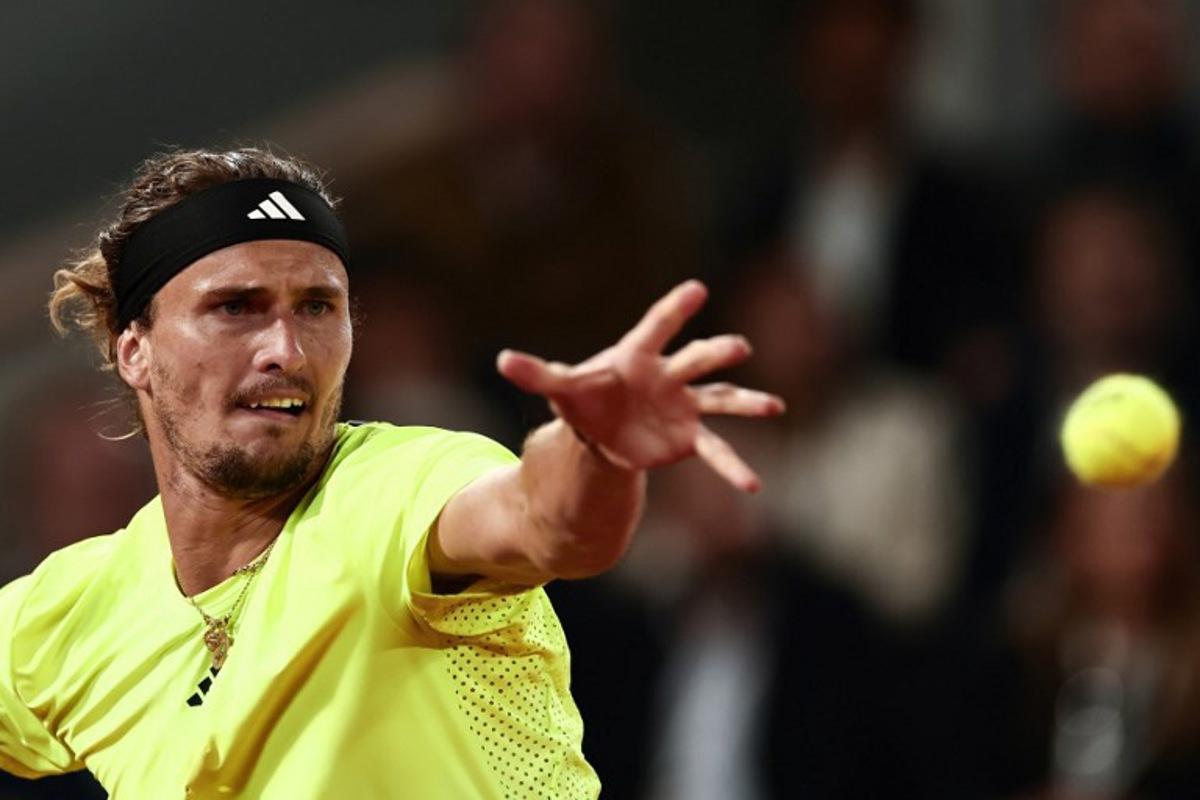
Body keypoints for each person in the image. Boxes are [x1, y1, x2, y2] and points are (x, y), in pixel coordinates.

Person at [0, 147, 782, 798]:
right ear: (134, 348)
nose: (286, 349)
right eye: (235, 307)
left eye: (316, 307)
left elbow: (546, 520)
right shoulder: (69, 614)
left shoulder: (403, 483)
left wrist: (596, 452)